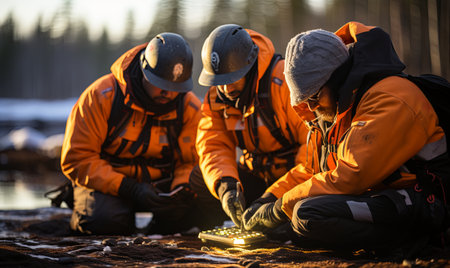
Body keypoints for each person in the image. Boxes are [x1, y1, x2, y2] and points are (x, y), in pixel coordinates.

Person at [242, 21, 450, 254]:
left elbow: (351, 175)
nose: (312, 107)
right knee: (301, 219)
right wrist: (268, 198)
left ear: (337, 78)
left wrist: (279, 209)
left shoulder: (390, 96)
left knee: (306, 214)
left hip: (427, 201)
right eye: (305, 100)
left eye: (315, 96)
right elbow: (313, 171)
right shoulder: (333, 113)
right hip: (388, 199)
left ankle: (415, 243)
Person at [60, 33, 202, 235]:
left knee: (197, 211)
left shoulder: (190, 107)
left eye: (175, 87)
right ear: (144, 70)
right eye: (161, 84)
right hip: (109, 186)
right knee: (103, 223)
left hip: (162, 189)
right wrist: (129, 188)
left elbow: (192, 163)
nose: (168, 93)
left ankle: (161, 225)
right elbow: (77, 159)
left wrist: (180, 191)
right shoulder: (100, 97)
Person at [189, 24, 312, 228]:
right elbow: (212, 146)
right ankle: (232, 227)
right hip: (256, 177)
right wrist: (227, 187)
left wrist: (273, 197)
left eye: (232, 78)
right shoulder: (216, 96)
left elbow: (314, 156)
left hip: (293, 179)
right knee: (200, 178)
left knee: (308, 209)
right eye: (219, 80)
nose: (226, 88)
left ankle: (284, 224)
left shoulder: (286, 81)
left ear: (250, 65)